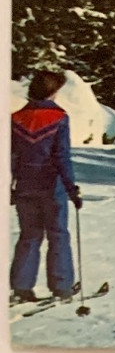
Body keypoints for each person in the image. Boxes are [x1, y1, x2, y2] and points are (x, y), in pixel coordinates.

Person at [10, 71, 81, 303]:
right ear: (52, 91)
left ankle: (21, 287)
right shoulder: (59, 117)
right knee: (58, 234)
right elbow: (62, 156)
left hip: (24, 185)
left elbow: (10, 157)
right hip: (52, 185)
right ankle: (62, 287)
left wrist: (9, 186)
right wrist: (71, 187)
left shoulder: (15, 118)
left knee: (29, 235)